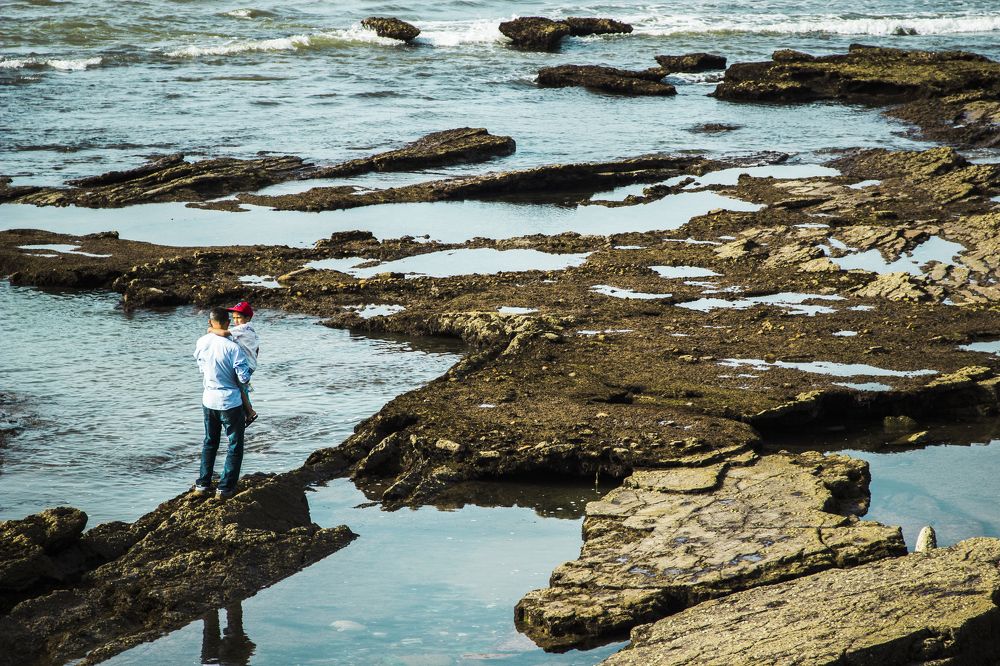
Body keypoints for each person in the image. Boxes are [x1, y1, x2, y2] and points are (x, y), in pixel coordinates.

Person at [193, 306, 253, 500]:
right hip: (230, 402)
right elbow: (243, 377)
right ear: (227, 323)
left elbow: (201, 367)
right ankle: (224, 489)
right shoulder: (233, 347)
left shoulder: (201, 341)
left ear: (210, 323)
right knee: (235, 445)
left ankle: (202, 485)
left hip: (208, 399)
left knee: (210, 442)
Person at [209, 301, 260, 426]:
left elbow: (224, 333)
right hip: (249, 364)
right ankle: (248, 411)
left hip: (246, 365)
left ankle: (249, 412)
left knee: (238, 388)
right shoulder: (249, 329)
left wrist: (211, 329)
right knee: (241, 388)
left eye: (239, 318)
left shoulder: (244, 327)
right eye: (234, 318)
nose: (236, 321)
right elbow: (257, 348)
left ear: (248, 318)